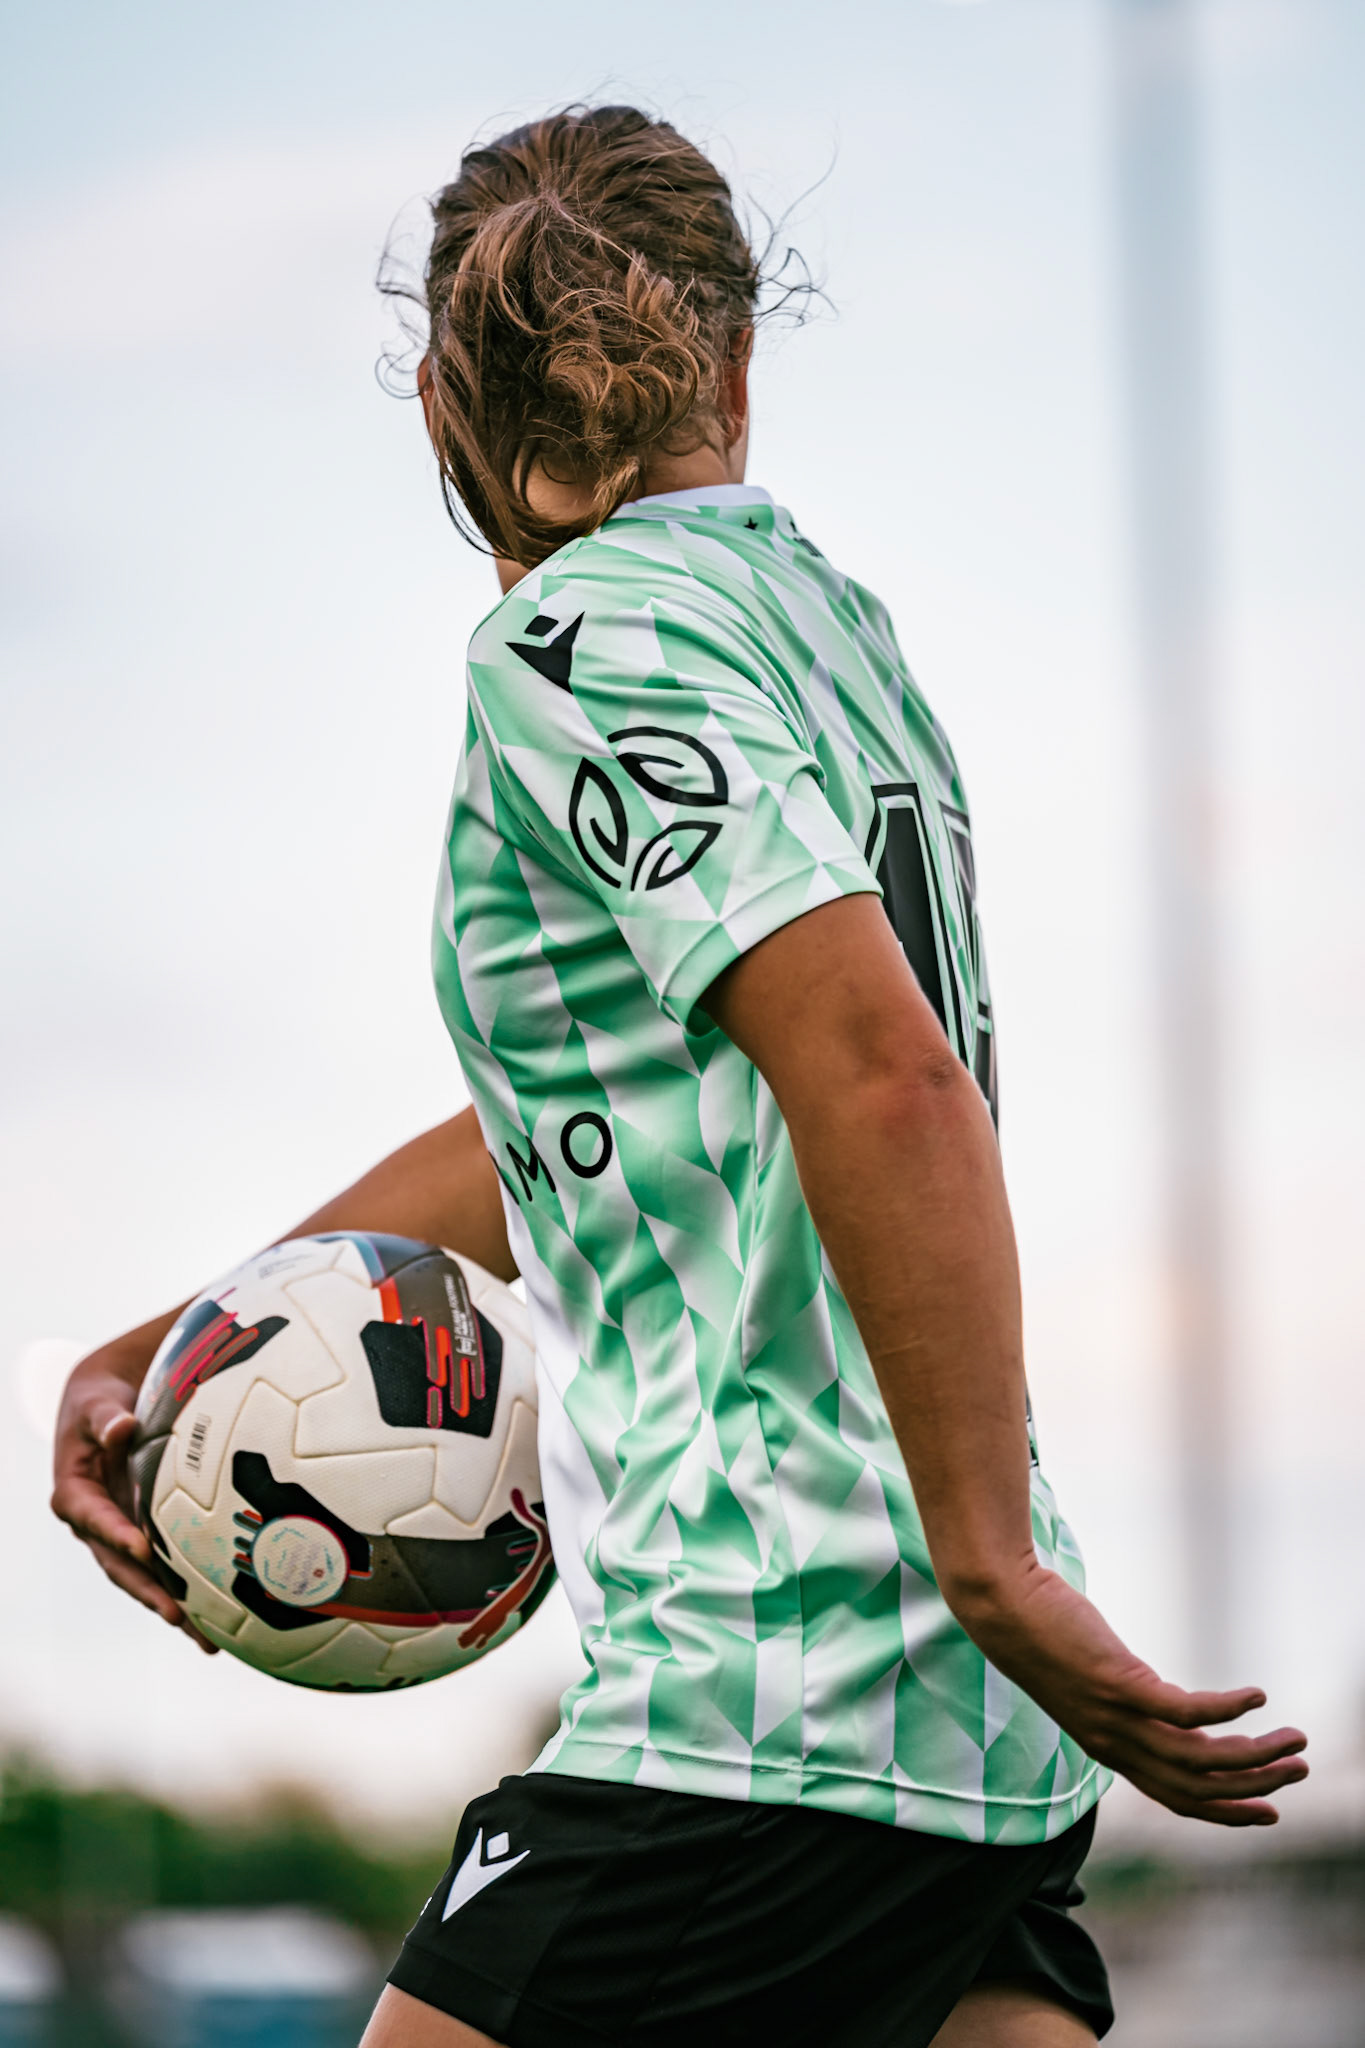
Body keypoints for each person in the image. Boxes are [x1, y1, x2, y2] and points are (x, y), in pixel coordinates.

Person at [52, 106, 1307, 2048]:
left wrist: (978, 1561)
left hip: (772, 1683)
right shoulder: (826, 630)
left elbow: (880, 1071)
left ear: (437, 409)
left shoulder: (578, 650)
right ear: (734, 363)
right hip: (951, 1722)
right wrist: (181, 1336)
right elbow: (564, 1140)